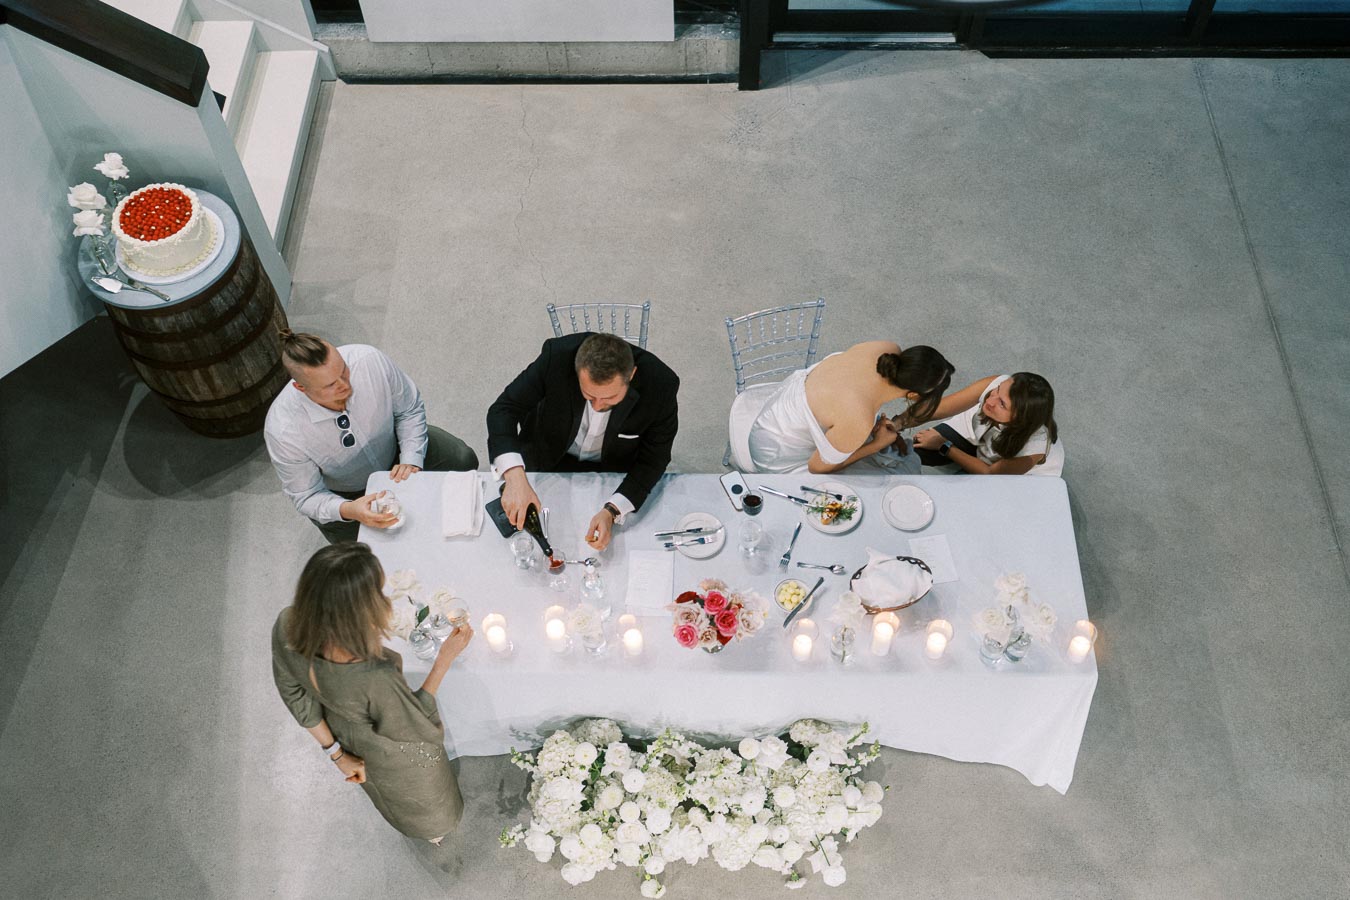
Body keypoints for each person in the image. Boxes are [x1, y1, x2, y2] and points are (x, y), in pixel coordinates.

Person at [271, 542, 473, 843]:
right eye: (376, 594)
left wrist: (336, 753)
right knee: (423, 794)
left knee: (381, 790)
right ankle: (434, 830)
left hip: (343, 736)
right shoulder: (374, 676)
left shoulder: (288, 624)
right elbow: (420, 729)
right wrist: (445, 659)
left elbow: (293, 693)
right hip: (392, 751)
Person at [264, 330, 478, 543]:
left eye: (343, 370)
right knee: (365, 555)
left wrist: (412, 459)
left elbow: (409, 410)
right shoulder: (283, 431)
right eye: (330, 385)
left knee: (462, 458)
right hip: (347, 494)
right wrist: (349, 509)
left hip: (396, 446)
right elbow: (307, 496)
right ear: (300, 387)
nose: (345, 385)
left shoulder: (369, 360)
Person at [486, 332, 679, 551]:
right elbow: (504, 409)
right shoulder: (556, 357)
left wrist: (613, 510)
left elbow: (654, 459)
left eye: (609, 399)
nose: (597, 406)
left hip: (613, 468)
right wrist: (514, 477)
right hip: (548, 454)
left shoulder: (661, 385)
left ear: (632, 375)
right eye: (589, 395)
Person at [747, 340, 954, 474]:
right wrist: (875, 444)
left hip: (778, 409)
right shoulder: (858, 420)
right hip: (774, 451)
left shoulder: (885, 348)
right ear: (913, 395)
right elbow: (817, 467)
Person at [912, 372, 1059, 475]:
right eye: (998, 390)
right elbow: (940, 409)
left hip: (998, 469)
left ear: (1020, 418)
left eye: (1002, 404)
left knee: (958, 497)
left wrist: (944, 445)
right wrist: (900, 421)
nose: (990, 400)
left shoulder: (1032, 450)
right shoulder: (999, 385)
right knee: (916, 448)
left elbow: (989, 473)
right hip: (978, 436)